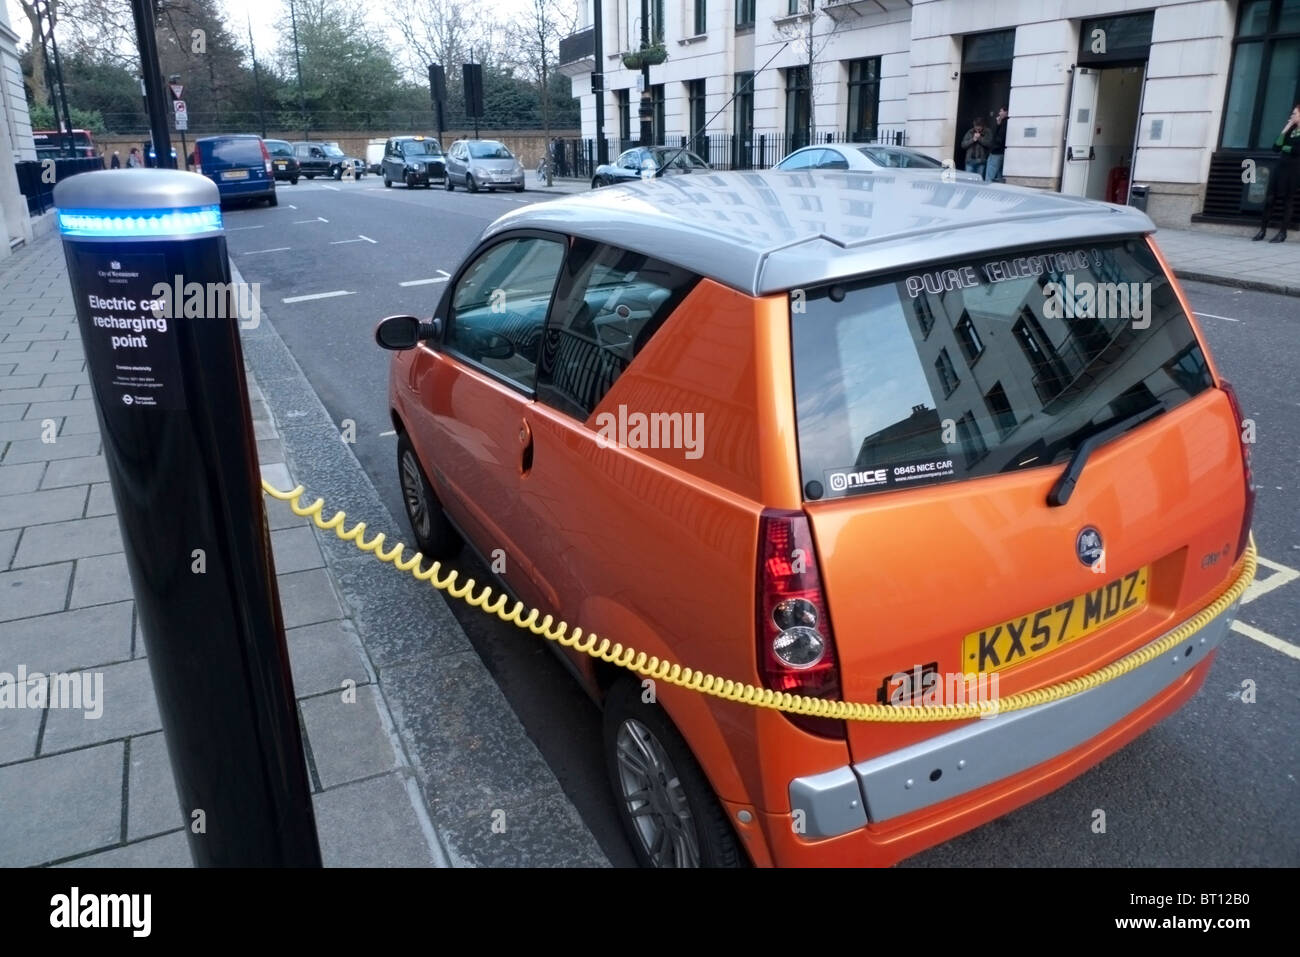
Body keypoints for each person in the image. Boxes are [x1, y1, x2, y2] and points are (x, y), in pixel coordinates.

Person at [1254, 103, 1300, 243]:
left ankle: (1282, 233)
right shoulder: (1291, 131)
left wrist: (1287, 148)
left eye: (1294, 114)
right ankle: (1262, 230)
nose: (1291, 116)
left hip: (1294, 169)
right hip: (1280, 166)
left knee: (1288, 200)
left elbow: (1296, 151)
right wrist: (1285, 129)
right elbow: (1276, 148)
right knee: (1270, 198)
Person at [985, 107, 1007, 183]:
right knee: (999, 176)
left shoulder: (1004, 124)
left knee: (989, 176)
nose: (999, 113)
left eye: (1001, 111)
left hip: (996, 152)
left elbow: (997, 137)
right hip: (1002, 152)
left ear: (1006, 112)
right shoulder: (1006, 122)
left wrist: (992, 149)